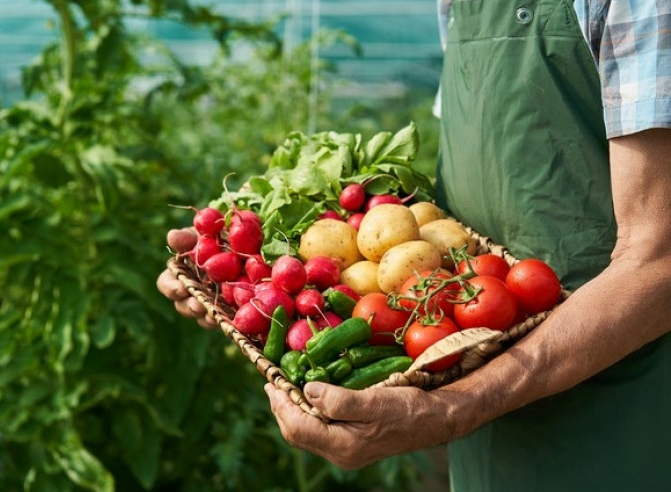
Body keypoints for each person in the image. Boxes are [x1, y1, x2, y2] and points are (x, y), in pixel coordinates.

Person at [157, 0, 671, 489]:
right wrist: (244, 274)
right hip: (482, 393)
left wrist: (453, 408)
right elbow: (499, 174)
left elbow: (658, 264)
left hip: (614, 410)